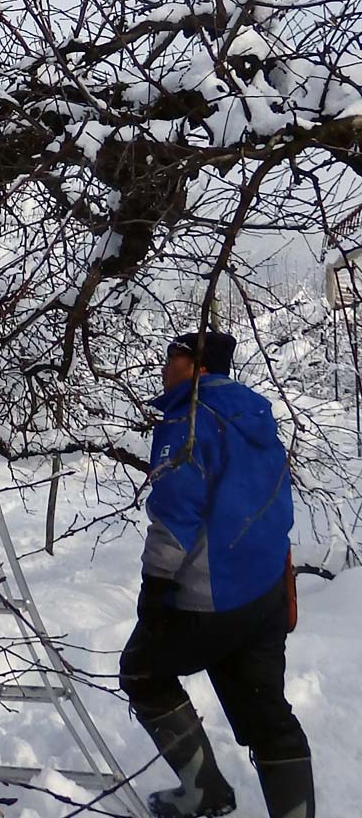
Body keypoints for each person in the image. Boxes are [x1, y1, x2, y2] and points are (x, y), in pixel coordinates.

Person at [120, 331, 314, 818]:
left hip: (213, 595)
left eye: (174, 358)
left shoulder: (188, 421)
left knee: (143, 670)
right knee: (266, 710)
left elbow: (175, 513)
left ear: (199, 367)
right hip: (265, 586)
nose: (165, 368)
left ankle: (203, 792)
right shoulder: (255, 413)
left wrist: (155, 588)